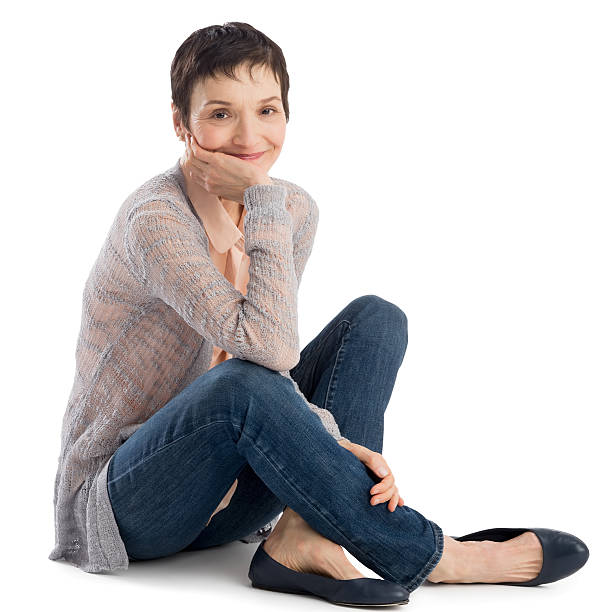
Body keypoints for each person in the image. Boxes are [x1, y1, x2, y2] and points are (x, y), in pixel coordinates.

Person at [49, 22, 588, 602]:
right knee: (237, 385)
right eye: (221, 113)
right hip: (130, 500)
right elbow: (267, 352)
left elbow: (270, 364)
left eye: (267, 109)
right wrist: (261, 197)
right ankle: (437, 555)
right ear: (181, 124)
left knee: (375, 320)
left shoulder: (291, 209)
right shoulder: (155, 220)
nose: (249, 135)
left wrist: (325, 436)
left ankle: (301, 538)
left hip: (230, 496)